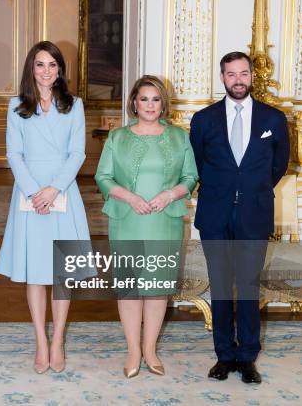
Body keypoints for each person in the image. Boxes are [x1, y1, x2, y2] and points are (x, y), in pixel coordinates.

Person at [190, 51, 289, 384]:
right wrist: (225, 189)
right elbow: (200, 164)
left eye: (243, 74)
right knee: (220, 286)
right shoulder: (203, 120)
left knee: (248, 286)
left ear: (251, 77)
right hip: (215, 214)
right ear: (222, 78)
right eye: (231, 74)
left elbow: (279, 165)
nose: (238, 80)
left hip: (254, 214)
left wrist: (251, 190)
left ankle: (247, 356)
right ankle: (223, 355)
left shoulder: (273, 120)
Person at [0, 41, 90, 374]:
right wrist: (37, 192)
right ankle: (39, 341)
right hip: (29, 194)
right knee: (35, 272)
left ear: (60, 69)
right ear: (30, 68)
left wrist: (53, 189)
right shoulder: (16, 105)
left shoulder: (74, 105)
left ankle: (58, 340)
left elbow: (78, 153)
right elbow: (13, 154)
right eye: (40, 64)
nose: (46, 71)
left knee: (62, 274)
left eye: (52, 65)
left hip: (62, 190)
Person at [95, 75, 198, 378]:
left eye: (156, 99)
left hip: (164, 222)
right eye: (144, 99)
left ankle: (150, 349)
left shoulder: (179, 137)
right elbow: (103, 177)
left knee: (156, 289)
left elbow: (190, 177)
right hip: (127, 220)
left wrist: (169, 196)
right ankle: (133, 351)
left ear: (163, 103)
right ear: (134, 103)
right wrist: (130, 198)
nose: (150, 105)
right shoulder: (118, 137)